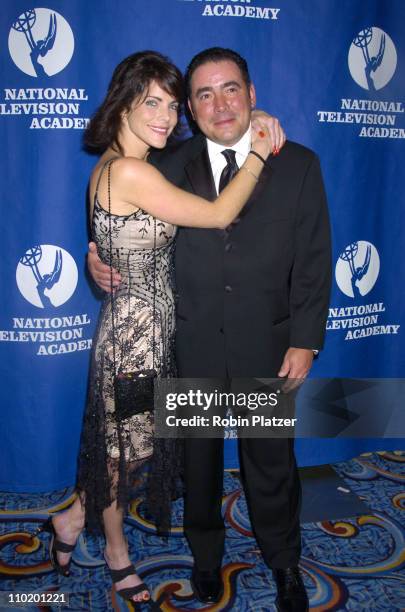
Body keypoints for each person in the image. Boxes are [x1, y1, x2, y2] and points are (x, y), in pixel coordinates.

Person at [89, 47, 331, 611]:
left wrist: (305, 338)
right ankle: (203, 560)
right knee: (197, 465)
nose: (218, 104)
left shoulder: (298, 163)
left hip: (267, 346)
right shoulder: (162, 163)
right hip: (187, 346)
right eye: (202, 94)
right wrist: (94, 258)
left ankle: (284, 562)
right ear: (191, 111)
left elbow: (315, 260)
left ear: (251, 94)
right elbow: (118, 216)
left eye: (229, 89)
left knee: (271, 464)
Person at [35, 50, 276, 606]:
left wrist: (98, 262)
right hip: (133, 343)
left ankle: (72, 517)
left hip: (146, 332)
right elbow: (217, 216)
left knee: (131, 451)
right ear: (123, 103)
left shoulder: (122, 167)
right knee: (122, 453)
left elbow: (122, 245)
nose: (168, 116)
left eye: (173, 104)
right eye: (153, 103)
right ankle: (116, 554)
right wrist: (259, 151)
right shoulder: (130, 170)